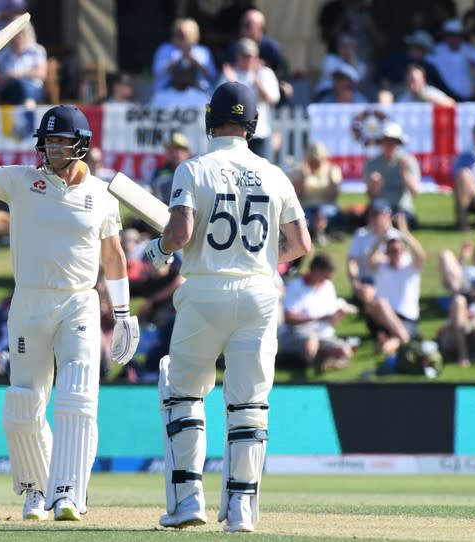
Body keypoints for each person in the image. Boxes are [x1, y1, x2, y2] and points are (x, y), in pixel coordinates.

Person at [0, 80, 139, 521]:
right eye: (49, 143)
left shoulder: (101, 195)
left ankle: (70, 493)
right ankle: (37, 491)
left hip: (78, 302)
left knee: (77, 395)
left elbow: (114, 256)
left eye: (62, 143)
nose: (53, 151)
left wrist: (122, 314)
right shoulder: (21, 181)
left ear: (82, 145)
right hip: (29, 303)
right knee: (23, 403)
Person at [143, 82, 310, 532]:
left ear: (209, 120)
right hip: (259, 293)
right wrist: (254, 259)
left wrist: (158, 250)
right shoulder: (275, 174)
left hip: (205, 291)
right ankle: (241, 510)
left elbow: (179, 233)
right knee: (249, 404)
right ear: (252, 124)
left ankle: (188, 500)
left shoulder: (192, 169)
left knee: (183, 393)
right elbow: (300, 244)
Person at [278, 253, 356, 372]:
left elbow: (331, 322)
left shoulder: (328, 286)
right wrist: (315, 319)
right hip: (295, 333)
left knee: (345, 350)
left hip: (323, 333)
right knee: (312, 342)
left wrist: (338, 315)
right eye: (325, 275)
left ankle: (320, 359)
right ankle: (307, 364)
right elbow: (288, 319)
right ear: (316, 270)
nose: (327, 279)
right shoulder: (295, 286)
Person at [365, 214, 426, 354]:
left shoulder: (410, 267)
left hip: (407, 318)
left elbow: (420, 255)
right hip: (383, 317)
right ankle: (402, 339)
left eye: (398, 250)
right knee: (380, 304)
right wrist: (383, 236)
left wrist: (405, 233)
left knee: (391, 342)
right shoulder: (381, 266)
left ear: (403, 251)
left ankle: (392, 343)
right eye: (392, 251)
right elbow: (370, 256)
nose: (395, 254)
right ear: (387, 252)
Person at [217, 37, 280, 160]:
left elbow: (273, 99)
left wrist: (259, 84)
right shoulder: (229, 74)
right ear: (237, 56)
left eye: (251, 56)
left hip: (258, 132)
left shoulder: (265, 73)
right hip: (233, 134)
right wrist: (231, 83)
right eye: (245, 56)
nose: (249, 60)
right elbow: (219, 101)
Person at [363, 121, 421, 228]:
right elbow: (370, 195)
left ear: (398, 143)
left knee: (400, 221)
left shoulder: (408, 161)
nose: (389, 144)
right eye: (386, 140)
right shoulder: (371, 163)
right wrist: (374, 185)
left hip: (402, 208)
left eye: (393, 141)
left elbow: (415, 191)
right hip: (379, 207)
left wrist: (404, 173)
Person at [346, 198, 398, 311]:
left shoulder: (396, 237)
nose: (373, 218)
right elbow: (352, 261)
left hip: (389, 280)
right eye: (371, 214)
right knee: (366, 292)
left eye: (377, 214)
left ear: (387, 216)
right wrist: (356, 284)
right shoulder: (361, 234)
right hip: (366, 281)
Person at [291, 141, 343, 246]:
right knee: (306, 215)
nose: (315, 163)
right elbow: (298, 196)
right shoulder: (299, 171)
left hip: (326, 205)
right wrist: (304, 177)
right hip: (306, 206)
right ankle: (318, 233)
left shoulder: (332, 170)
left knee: (322, 214)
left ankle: (318, 232)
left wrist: (332, 181)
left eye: (318, 160)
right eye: (312, 160)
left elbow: (332, 196)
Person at [428, 18, 475, 102]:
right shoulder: (436, 52)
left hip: (468, 99)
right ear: (445, 36)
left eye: (457, 35)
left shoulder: (473, 52)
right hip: (443, 100)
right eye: (450, 35)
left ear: (462, 36)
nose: (454, 38)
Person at [152, 18, 217, 95]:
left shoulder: (203, 51)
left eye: (182, 35)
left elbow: (213, 75)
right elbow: (157, 72)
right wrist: (178, 59)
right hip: (167, 94)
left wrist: (195, 62)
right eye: (176, 34)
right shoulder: (165, 49)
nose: (178, 38)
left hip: (200, 94)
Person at [0, 20, 47, 105]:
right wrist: (8, 76)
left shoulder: (36, 51)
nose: (18, 36)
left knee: (27, 99)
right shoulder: (3, 54)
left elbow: (41, 73)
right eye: (15, 33)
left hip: (32, 88)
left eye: (21, 32)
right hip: (9, 88)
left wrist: (20, 74)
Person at [314, 34, 369, 98]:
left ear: (355, 48)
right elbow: (336, 80)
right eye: (343, 45)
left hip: (351, 96)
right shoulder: (330, 59)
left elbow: (357, 84)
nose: (346, 48)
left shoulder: (361, 66)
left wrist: (352, 62)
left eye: (350, 45)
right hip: (327, 93)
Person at [149, 131, 192, 206]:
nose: (174, 153)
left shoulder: (194, 172)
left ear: (187, 152)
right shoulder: (159, 172)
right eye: (171, 149)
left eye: (179, 149)